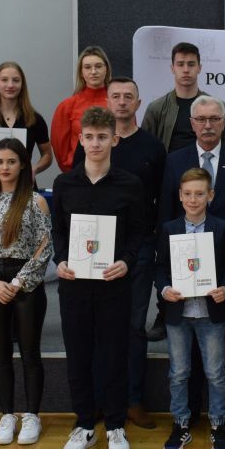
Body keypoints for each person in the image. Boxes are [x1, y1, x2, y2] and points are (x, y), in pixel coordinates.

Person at [51, 106, 150, 449]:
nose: (95, 144)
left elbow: (139, 232)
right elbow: (58, 232)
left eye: (102, 137)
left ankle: (116, 426)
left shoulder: (130, 184)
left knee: (114, 354)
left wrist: (127, 261)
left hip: (113, 285)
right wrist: (60, 260)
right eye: (90, 137)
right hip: (74, 285)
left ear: (114, 140)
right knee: (78, 355)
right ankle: (84, 425)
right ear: (80, 139)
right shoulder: (64, 184)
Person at [156, 95, 225, 433]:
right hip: (184, 267)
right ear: (192, 124)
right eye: (201, 119)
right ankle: (191, 409)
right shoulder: (175, 160)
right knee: (185, 345)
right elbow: (167, 210)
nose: (208, 125)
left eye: (215, 119)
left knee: (224, 341)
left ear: (224, 123)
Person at [74, 77, 167, 429]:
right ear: (107, 101)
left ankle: (132, 400)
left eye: (129, 96)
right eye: (116, 96)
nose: (122, 101)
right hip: (93, 250)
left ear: (138, 103)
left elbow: (161, 199)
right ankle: (101, 400)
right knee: (98, 326)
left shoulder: (153, 147)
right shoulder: (91, 144)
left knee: (133, 326)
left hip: (137, 249)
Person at [0, 138, 53, 446]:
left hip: (25, 283)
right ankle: (6, 414)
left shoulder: (35, 201)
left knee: (30, 352)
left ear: (23, 165)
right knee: (0, 353)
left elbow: (45, 247)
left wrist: (18, 282)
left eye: (11, 161)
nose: (5, 167)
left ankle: (31, 415)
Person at [155, 167, 225, 449]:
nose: (193, 199)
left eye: (199, 194)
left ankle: (218, 423)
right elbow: (160, 269)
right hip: (178, 314)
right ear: (180, 196)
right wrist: (165, 289)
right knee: (178, 373)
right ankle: (180, 423)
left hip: (210, 313)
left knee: (215, 372)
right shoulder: (169, 229)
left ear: (210, 195)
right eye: (188, 194)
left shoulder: (222, 228)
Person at [142, 42, 225, 151]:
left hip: (208, 162)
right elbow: (145, 147)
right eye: (180, 64)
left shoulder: (217, 106)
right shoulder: (156, 108)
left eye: (191, 64)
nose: (186, 70)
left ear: (199, 68)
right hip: (168, 162)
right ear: (172, 68)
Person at [0, 61, 53, 175]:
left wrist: (35, 169)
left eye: (16, 80)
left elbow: (47, 154)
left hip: (25, 181)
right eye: (4, 80)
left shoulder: (35, 119)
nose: (10, 85)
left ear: (22, 84)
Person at [51, 45, 111, 173]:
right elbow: (59, 148)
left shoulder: (118, 104)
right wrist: (72, 172)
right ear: (81, 72)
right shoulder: (67, 106)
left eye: (98, 66)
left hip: (113, 174)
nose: (93, 71)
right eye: (87, 67)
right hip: (77, 173)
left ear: (106, 69)